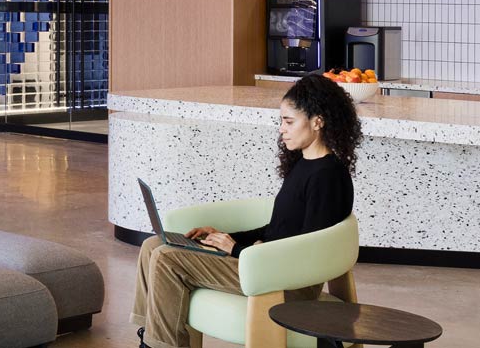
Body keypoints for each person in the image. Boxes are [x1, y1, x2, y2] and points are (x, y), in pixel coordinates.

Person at [129, 73, 362, 348]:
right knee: (152, 245)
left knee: (168, 259)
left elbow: (307, 253)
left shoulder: (327, 177)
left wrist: (237, 250)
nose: (282, 129)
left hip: (284, 281)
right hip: (263, 262)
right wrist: (224, 236)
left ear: (317, 122)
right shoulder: (304, 164)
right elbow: (277, 229)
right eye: (281, 121)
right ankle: (150, 334)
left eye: (289, 121)